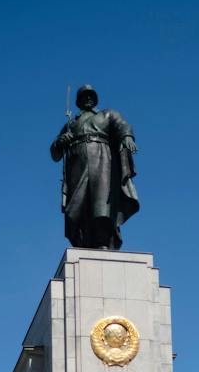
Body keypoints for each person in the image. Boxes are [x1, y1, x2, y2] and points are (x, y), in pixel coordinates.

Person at [49, 85, 139, 250]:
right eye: (84, 96)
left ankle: (102, 241)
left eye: (91, 95)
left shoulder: (107, 114)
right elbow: (55, 154)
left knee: (101, 202)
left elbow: (122, 125)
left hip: (102, 160)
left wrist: (127, 136)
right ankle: (83, 241)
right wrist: (60, 142)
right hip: (77, 165)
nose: (88, 98)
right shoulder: (71, 124)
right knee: (77, 206)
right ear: (78, 101)